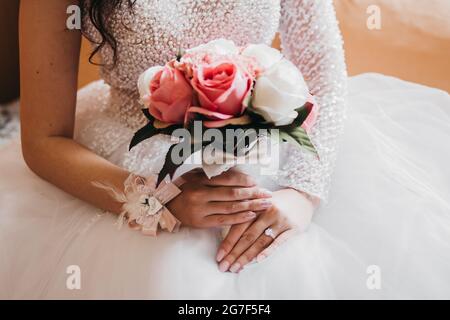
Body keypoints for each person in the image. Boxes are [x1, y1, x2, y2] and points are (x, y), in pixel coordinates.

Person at [0, 0, 449, 299]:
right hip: (127, 159)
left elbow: (321, 73)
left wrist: (304, 192)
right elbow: (44, 140)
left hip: (279, 150)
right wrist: (155, 200)